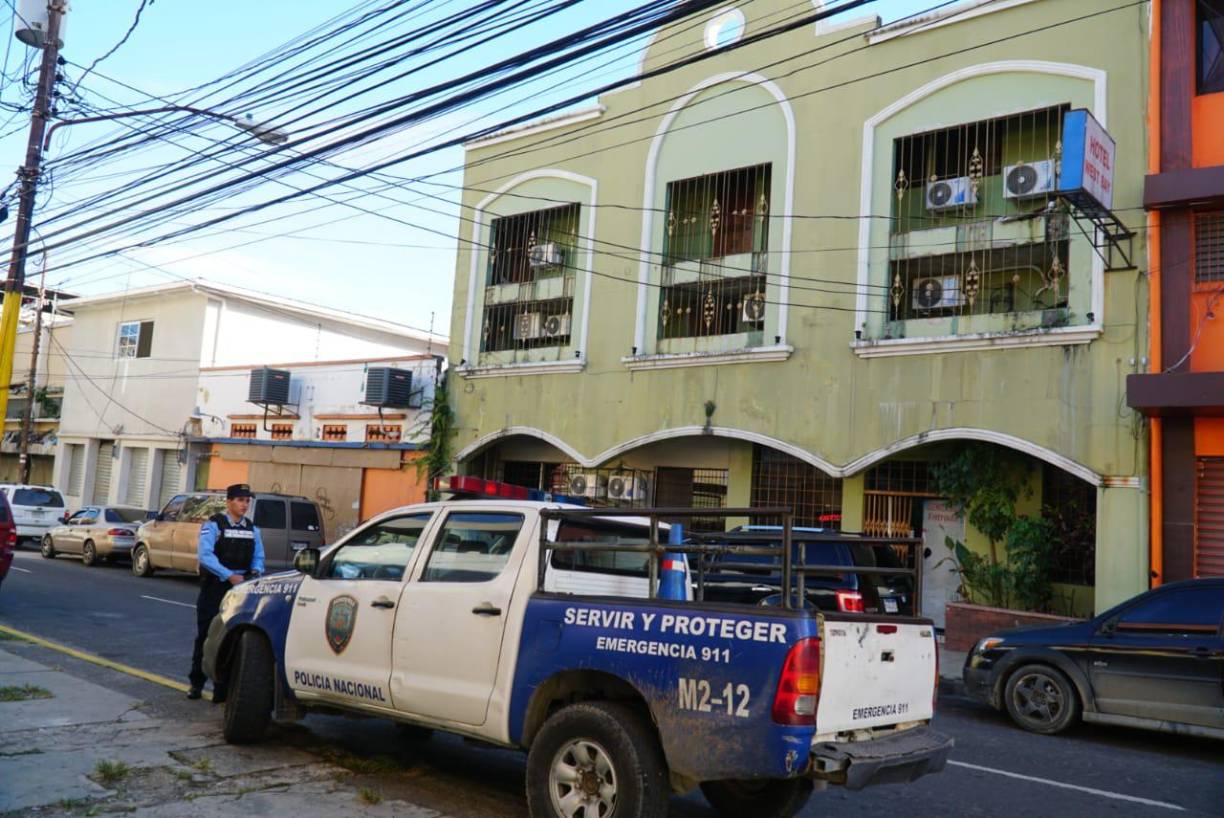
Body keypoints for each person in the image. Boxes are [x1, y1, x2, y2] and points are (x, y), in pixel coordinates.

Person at [187, 483, 264, 701]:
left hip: (240, 588)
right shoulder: (214, 525)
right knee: (206, 636)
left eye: (247, 501)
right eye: (240, 500)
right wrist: (229, 575)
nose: (244, 505)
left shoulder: (252, 529)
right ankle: (196, 683)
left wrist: (256, 571)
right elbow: (205, 555)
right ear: (229, 502)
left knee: (233, 638)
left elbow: (259, 557)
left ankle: (221, 690)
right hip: (216, 586)